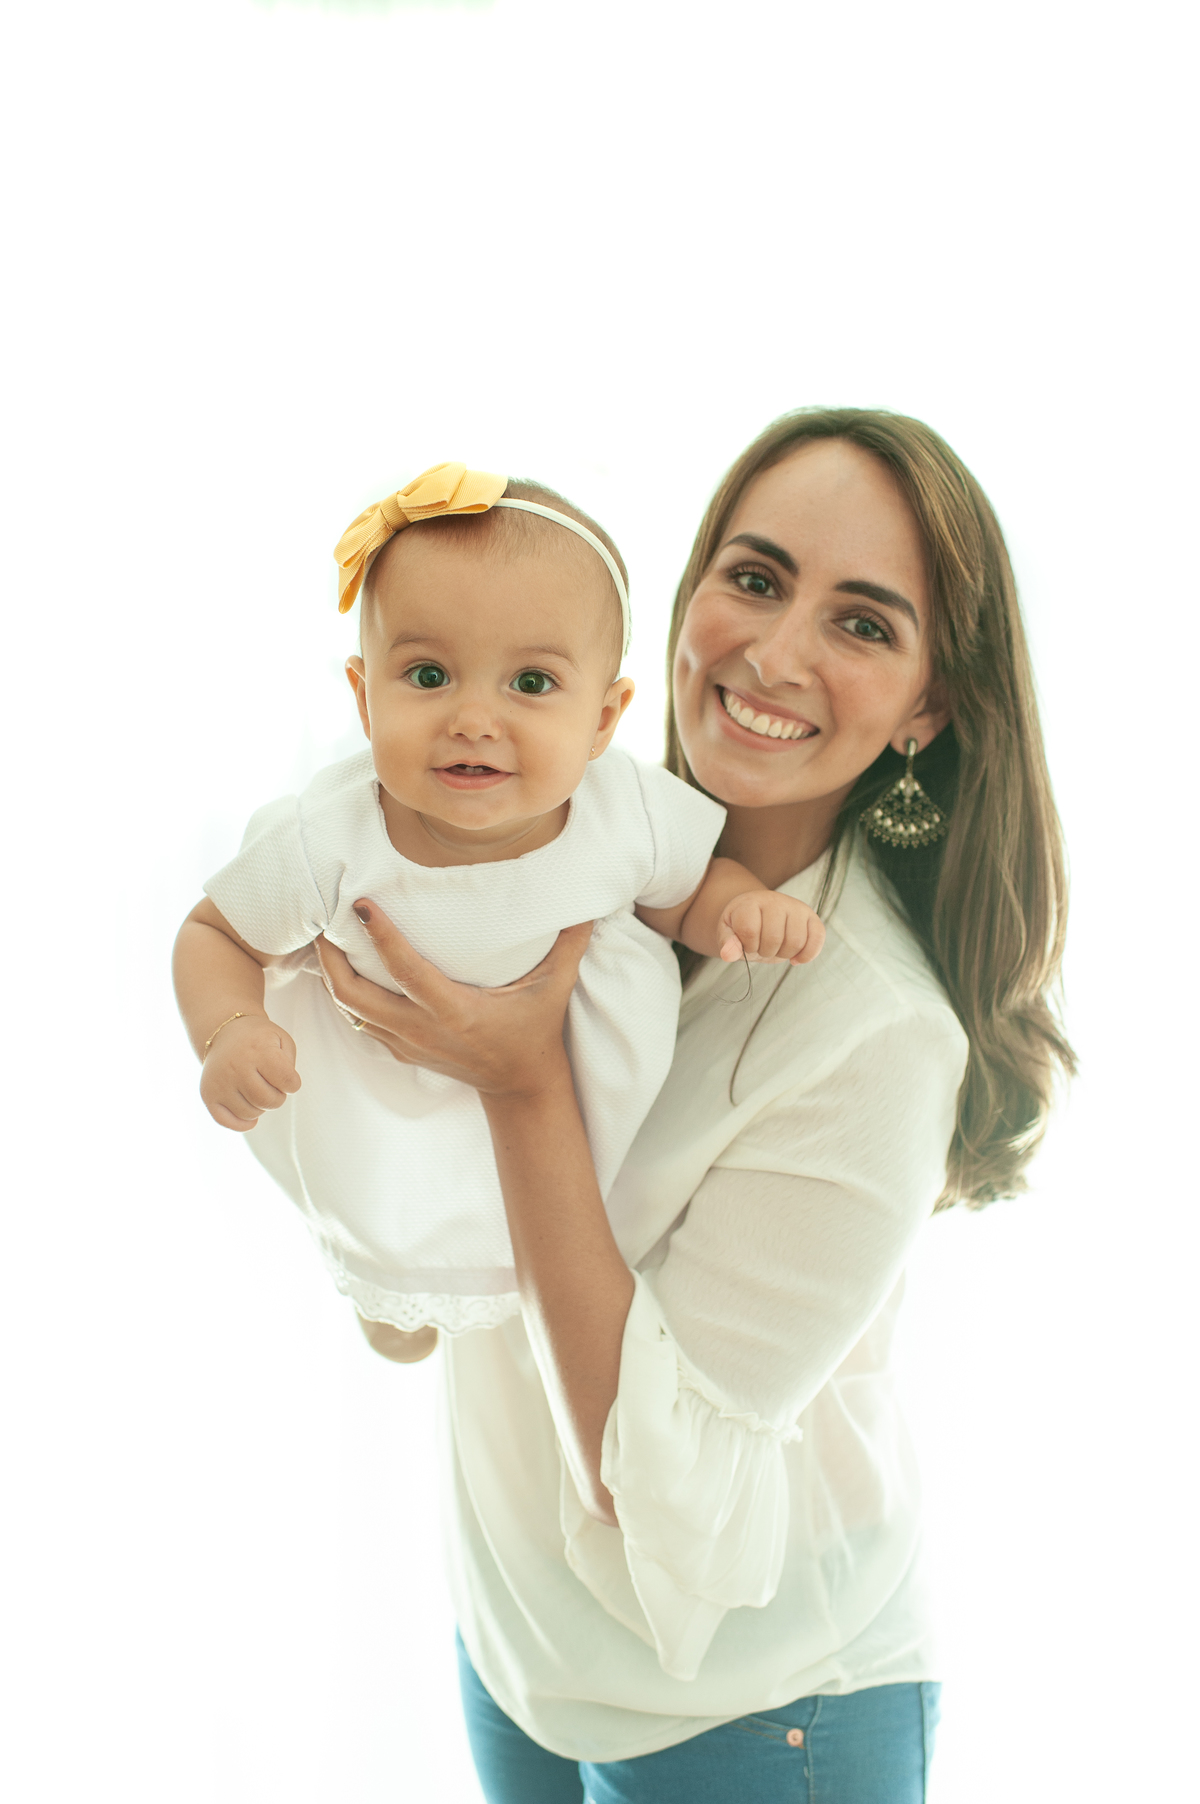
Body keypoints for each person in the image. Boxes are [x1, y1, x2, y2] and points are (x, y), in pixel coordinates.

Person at [312, 409, 1076, 1802]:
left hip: (764, 1716)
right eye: (758, 577)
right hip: (524, 1658)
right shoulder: (565, 853)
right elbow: (412, 1310)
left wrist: (519, 1079)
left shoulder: (879, 1035)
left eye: (863, 623)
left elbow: (642, 1484)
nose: (774, 655)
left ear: (927, 708)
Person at [172, 464, 823, 1360]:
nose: (475, 719)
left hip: (560, 1079)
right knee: (390, 1212)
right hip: (384, 1090)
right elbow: (215, 933)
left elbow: (682, 896)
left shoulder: (621, 809)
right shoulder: (331, 838)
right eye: (430, 674)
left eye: (531, 684)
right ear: (365, 700)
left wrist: (740, 910)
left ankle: (478, 1290)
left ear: (603, 720)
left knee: (536, 1222)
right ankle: (388, 1285)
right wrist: (230, 1027)